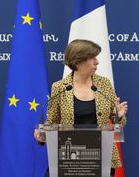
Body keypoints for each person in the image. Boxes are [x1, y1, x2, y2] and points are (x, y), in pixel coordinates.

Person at [35, 39, 128, 176]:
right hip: (69, 157)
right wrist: (41, 134)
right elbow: (52, 121)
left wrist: (118, 117)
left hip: (100, 156)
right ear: (78, 61)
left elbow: (116, 124)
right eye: (92, 58)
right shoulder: (60, 87)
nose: (97, 62)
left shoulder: (104, 84)